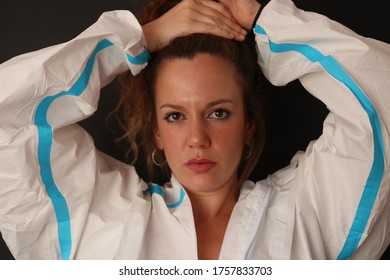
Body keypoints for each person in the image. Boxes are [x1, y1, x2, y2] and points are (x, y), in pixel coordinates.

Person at [0, 0, 389, 260]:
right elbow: (8, 119)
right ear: (156, 132)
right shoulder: (98, 220)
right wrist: (139, 38)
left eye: (218, 113)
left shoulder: (311, 211)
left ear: (248, 125)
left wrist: (263, 20)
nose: (197, 138)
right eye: (175, 116)